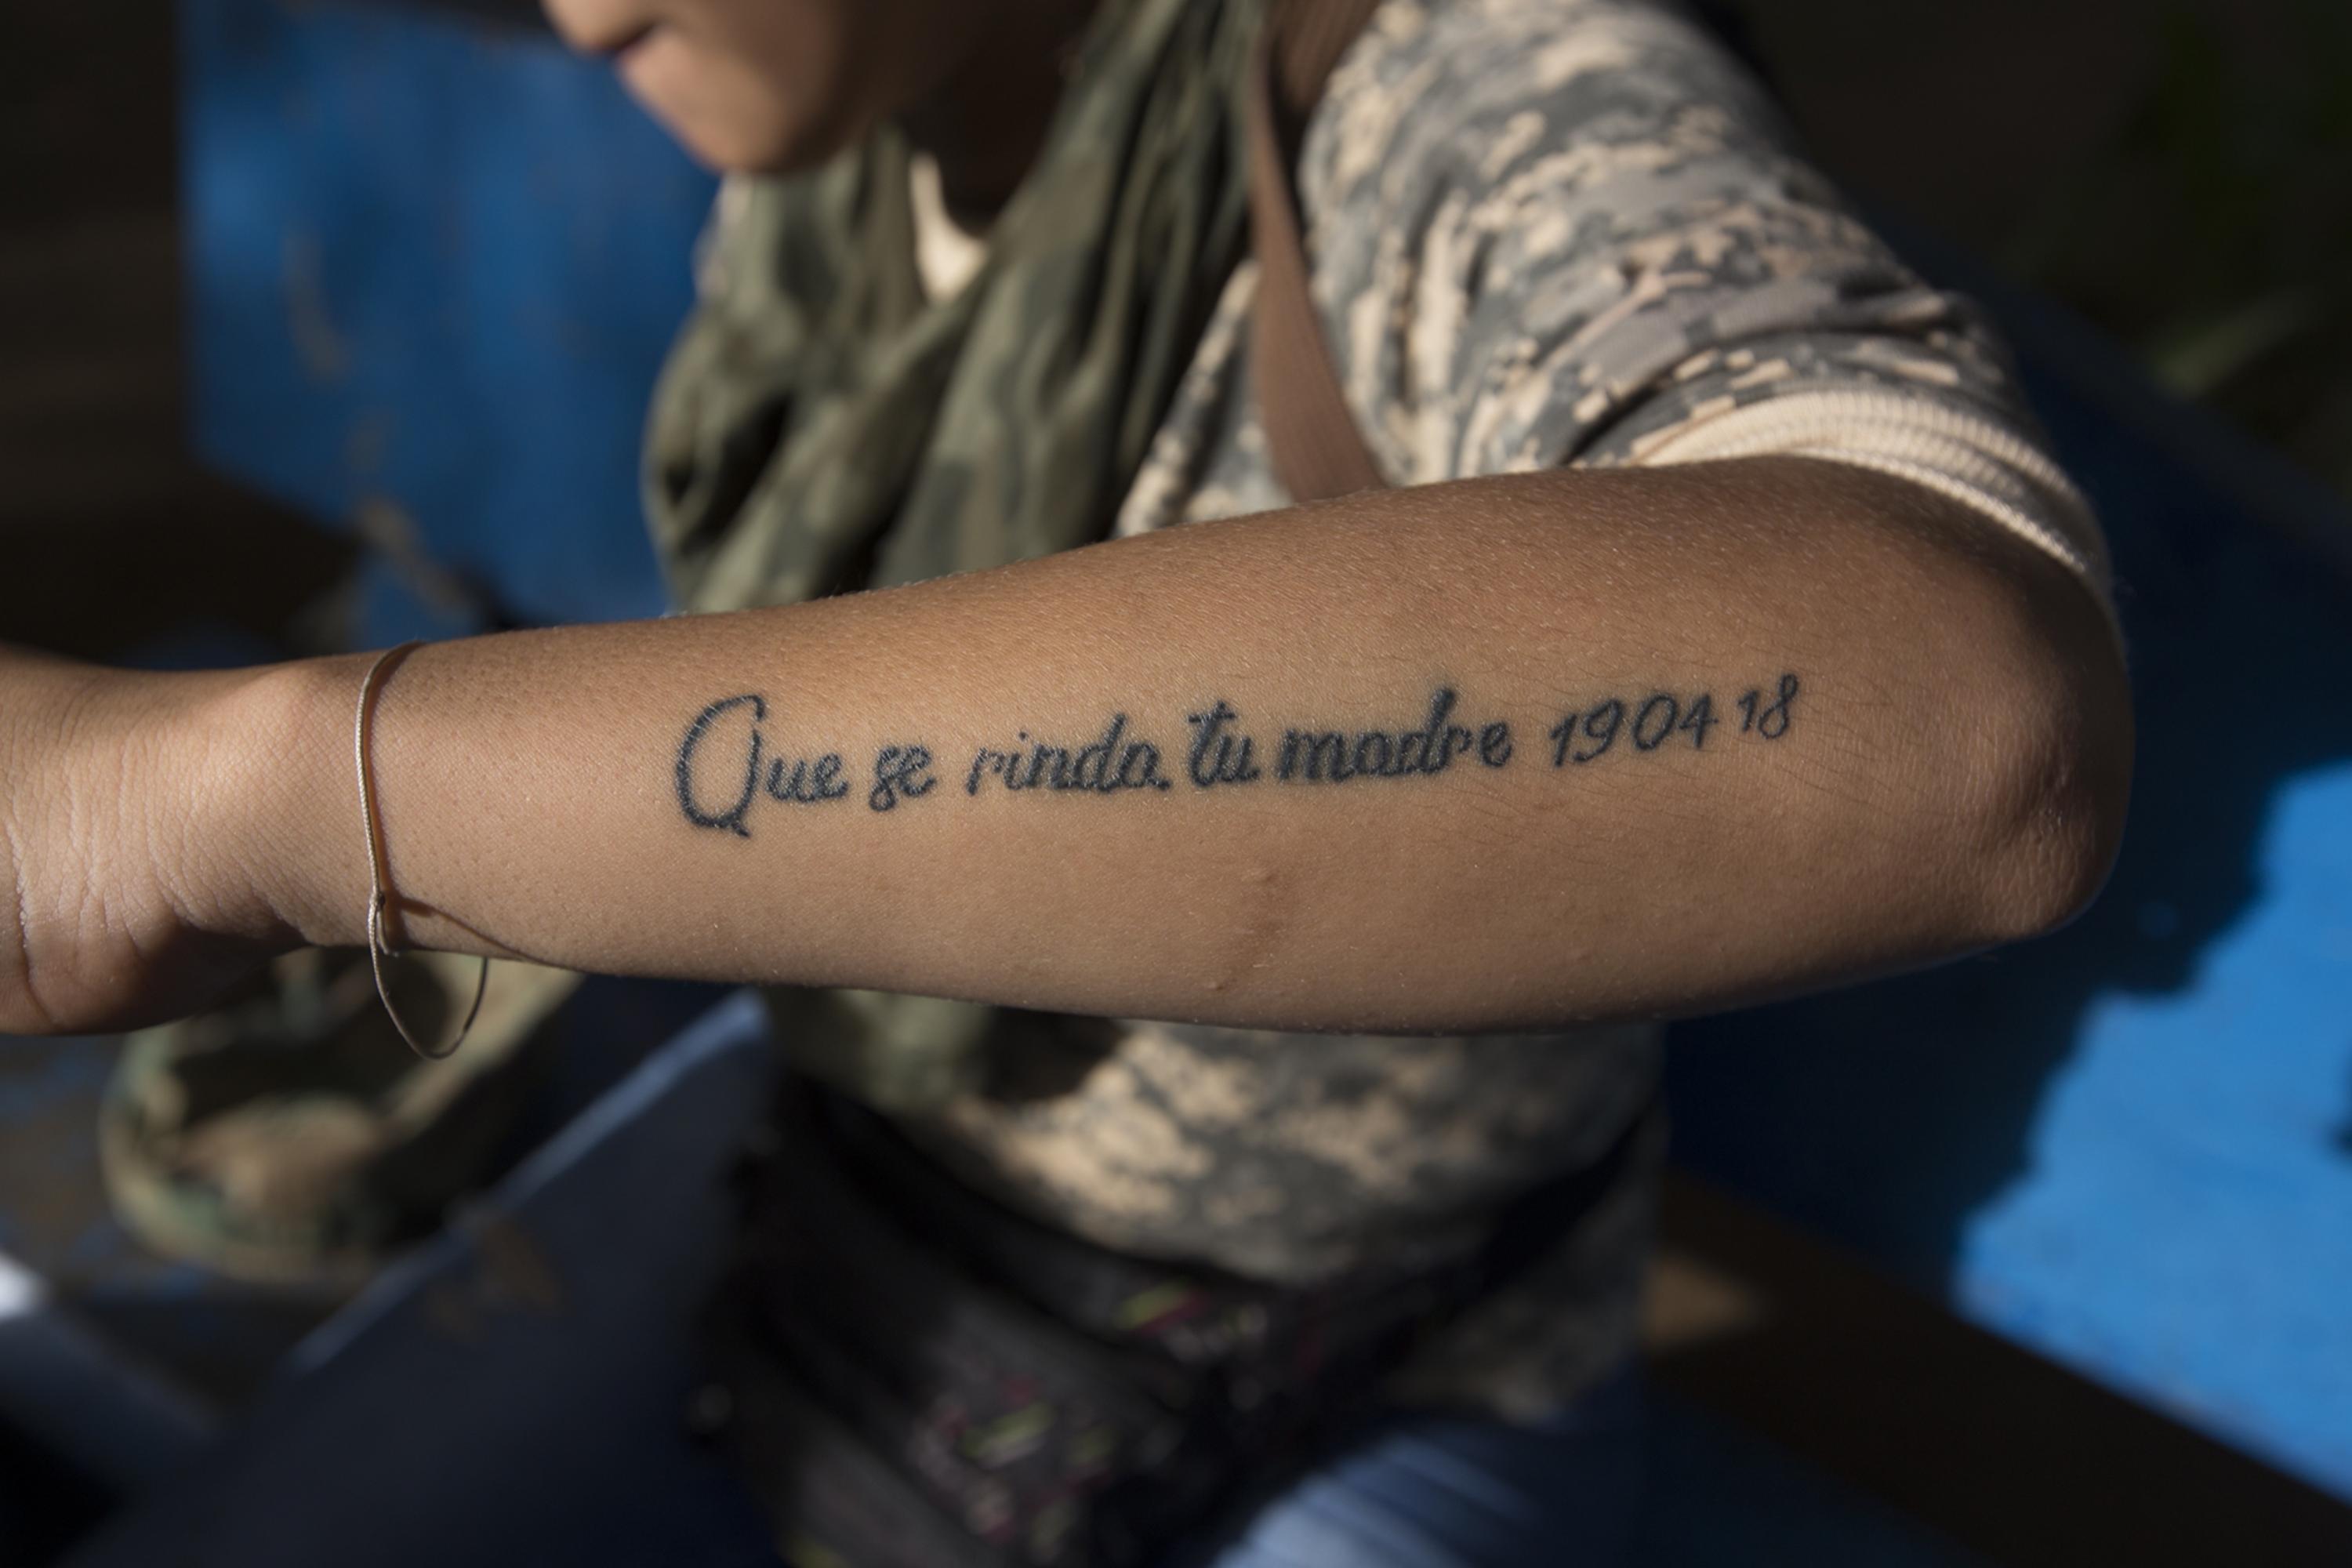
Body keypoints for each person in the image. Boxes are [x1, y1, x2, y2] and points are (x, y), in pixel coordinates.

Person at [2, 0, 2131, 1560]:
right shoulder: (880, 126)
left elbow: (1950, 715)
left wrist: (287, 799)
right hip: (852, 1187)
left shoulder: (1463, 97)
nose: (559, 17)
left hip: (1347, 1369)